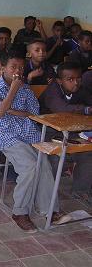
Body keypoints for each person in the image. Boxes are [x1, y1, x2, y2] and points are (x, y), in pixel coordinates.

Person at [0, 51, 68, 232]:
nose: (18, 71)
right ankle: (20, 212)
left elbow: (33, 113)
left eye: (21, 67)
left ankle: (49, 210)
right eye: (13, 67)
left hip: (30, 133)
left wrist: (9, 109)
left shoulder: (27, 89)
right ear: (3, 68)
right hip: (6, 135)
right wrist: (13, 90)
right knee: (30, 167)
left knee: (43, 163)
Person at [39, 61, 92, 204]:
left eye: (79, 78)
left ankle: (80, 191)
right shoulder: (53, 90)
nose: (76, 83)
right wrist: (86, 110)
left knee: (88, 154)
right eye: (70, 79)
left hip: (71, 131)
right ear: (59, 81)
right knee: (55, 159)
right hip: (48, 133)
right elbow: (60, 108)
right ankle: (47, 196)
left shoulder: (80, 89)